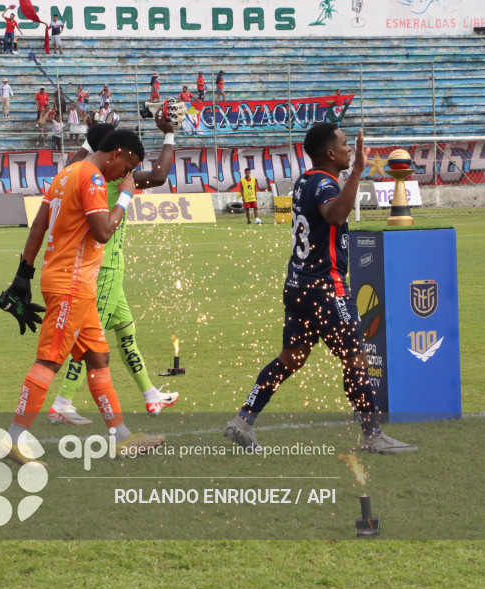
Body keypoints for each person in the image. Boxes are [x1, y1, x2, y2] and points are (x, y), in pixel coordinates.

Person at [223, 123, 417, 455]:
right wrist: (357, 171)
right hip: (325, 288)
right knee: (355, 358)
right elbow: (336, 213)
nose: (350, 150)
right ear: (330, 153)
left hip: (298, 285)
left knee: (291, 357)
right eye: (345, 145)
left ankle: (244, 419)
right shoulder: (326, 184)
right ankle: (372, 434)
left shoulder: (304, 182)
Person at [0, 129, 165, 464]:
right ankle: (12, 440)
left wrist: (23, 275)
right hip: (71, 284)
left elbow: (39, 226)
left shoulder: (67, 173)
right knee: (50, 359)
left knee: (98, 358)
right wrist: (125, 197)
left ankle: (121, 438)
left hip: (77, 285)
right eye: (127, 168)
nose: (126, 176)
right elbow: (102, 232)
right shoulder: (94, 179)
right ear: (116, 154)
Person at [47, 111, 180, 425]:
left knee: (126, 331)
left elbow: (73, 161)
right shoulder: (113, 177)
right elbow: (160, 175)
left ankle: (150, 396)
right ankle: (62, 401)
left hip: (109, 267)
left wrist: (90, 136)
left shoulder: (76, 169)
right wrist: (169, 134)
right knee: (90, 339)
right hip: (104, 266)